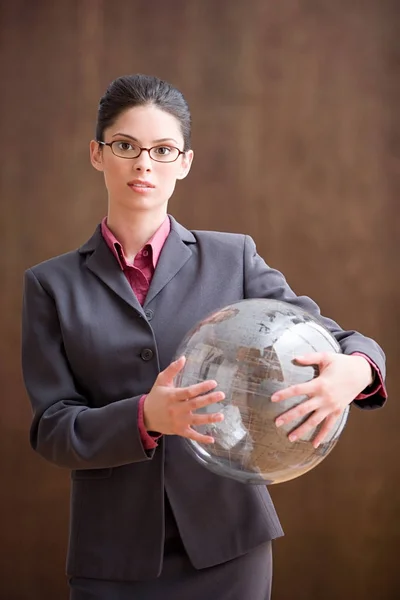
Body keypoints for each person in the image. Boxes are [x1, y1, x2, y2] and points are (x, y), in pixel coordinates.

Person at [21, 74, 387, 600]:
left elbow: (336, 337)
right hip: (113, 556)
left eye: (163, 150)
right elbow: (52, 429)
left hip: (229, 546)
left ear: (185, 163)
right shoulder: (50, 285)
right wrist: (146, 416)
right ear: (98, 154)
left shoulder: (232, 257)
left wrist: (357, 369)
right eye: (126, 146)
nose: (144, 163)